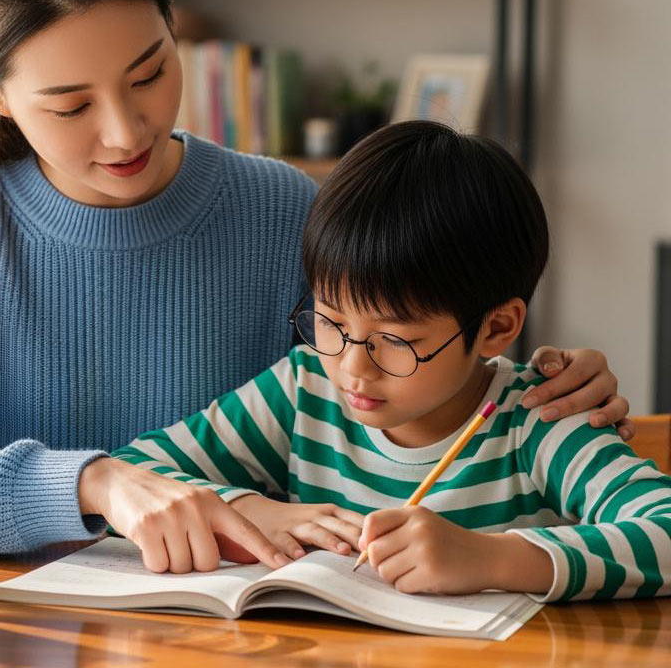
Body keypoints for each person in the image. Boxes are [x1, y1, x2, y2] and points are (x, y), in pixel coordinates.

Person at [0, 0, 631, 565]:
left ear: (174, 27)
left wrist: (542, 381)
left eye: (150, 72)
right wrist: (97, 482)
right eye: (71, 105)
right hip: (0, 623)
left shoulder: (281, 207)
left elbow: (389, 385)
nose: (125, 131)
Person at [113, 121, 671, 601]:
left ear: (496, 328)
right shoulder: (305, 390)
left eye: (395, 341)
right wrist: (251, 508)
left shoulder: (538, 419)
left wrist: (491, 558)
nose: (354, 368)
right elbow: (135, 472)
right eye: (332, 323)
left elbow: (664, 531)